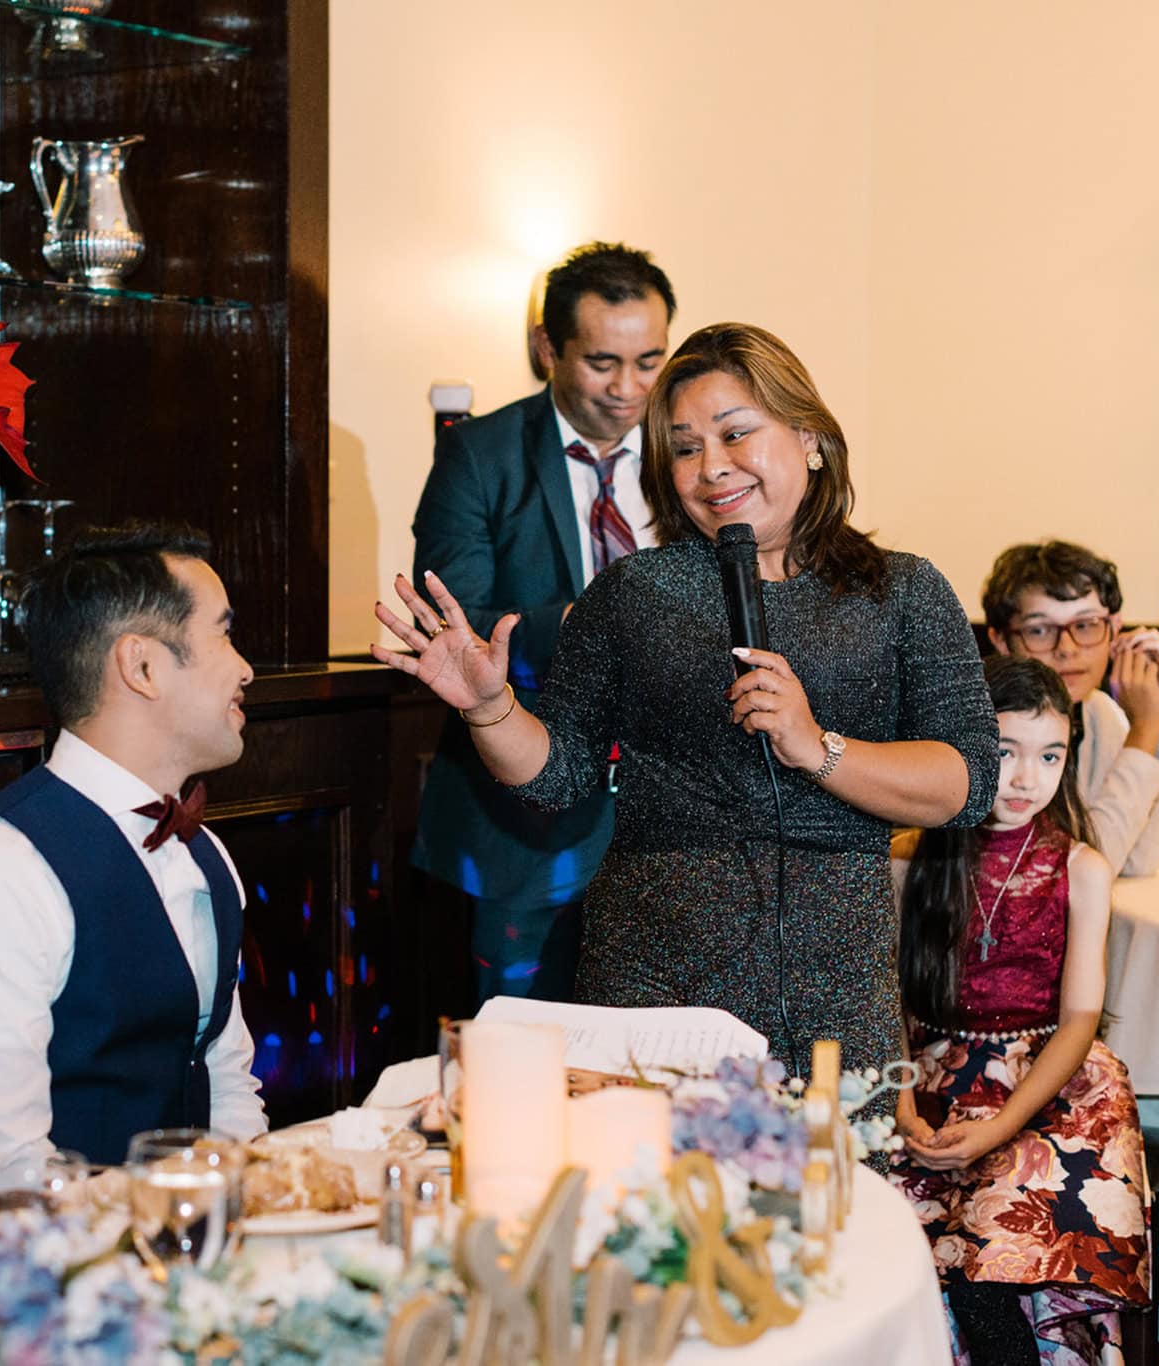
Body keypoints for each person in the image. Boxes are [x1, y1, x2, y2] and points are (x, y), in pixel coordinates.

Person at [376, 322, 998, 1075]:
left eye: (736, 434)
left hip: (835, 987)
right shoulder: (634, 592)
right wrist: (489, 708)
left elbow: (966, 784)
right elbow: (556, 776)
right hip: (654, 985)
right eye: (684, 448)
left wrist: (816, 748)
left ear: (809, 437)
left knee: (831, 1159)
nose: (712, 467)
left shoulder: (903, 591)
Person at [0, 523, 266, 1202]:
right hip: (51, 1253)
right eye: (224, 635)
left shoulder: (206, 853)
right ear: (141, 667)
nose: (245, 668)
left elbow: (224, 1077)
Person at [408, 242, 676, 1004]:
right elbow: (452, 621)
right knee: (522, 1044)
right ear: (547, 349)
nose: (629, 389)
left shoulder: (687, 453)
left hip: (670, 815)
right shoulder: (480, 454)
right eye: (602, 363)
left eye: (650, 362)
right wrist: (587, 626)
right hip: (522, 820)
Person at [889, 656, 1148, 1365]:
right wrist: (903, 1106)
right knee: (911, 1252)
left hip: (1049, 1081)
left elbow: (1080, 1020)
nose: (1027, 777)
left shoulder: (1081, 868)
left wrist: (1004, 1124)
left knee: (999, 1257)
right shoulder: (910, 858)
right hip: (927, 1071)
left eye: (1050, 756)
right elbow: (885, 998)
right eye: (1004, 752)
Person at [983, 541, 1159, 875]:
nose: (1067, 649)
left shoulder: (1099, 712)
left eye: (1085, 625)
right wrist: (1144, 731)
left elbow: (1138, 861)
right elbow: (1085, 869)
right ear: (1000, 640)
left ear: (1115, 629)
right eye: (1039, 630)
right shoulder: (992, 720)